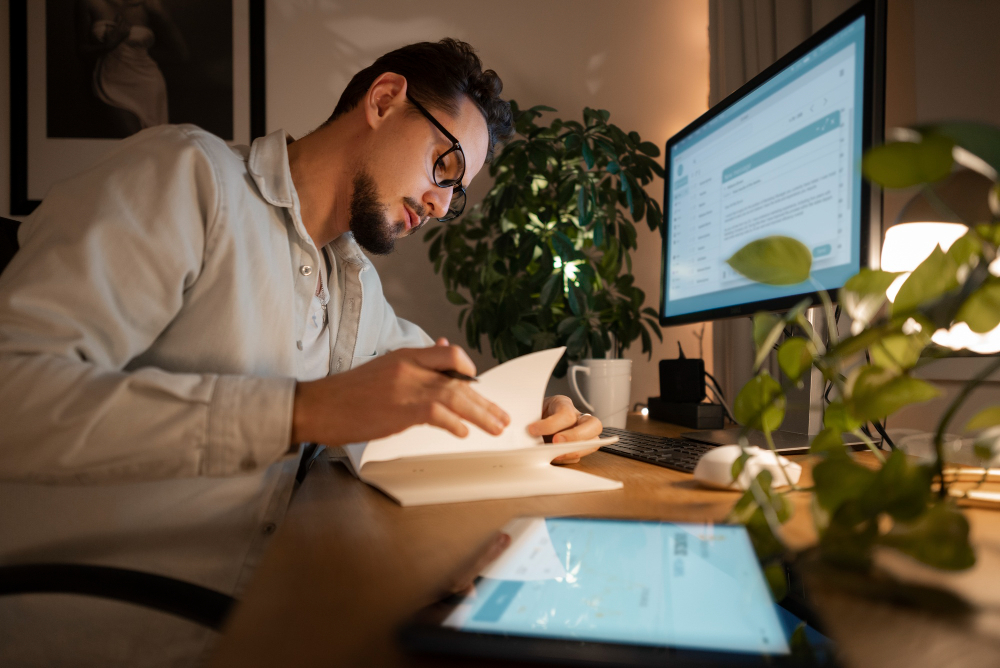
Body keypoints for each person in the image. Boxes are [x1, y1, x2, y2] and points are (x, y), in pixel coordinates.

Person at [0, 39, 601, 666]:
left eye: (458, 192)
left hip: (269, 607)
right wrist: (301, 411)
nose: (440, 204)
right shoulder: (187, 178)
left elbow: (451, 394)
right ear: (385, 99)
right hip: (108, 629)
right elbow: (10, 394)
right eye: (443, 166)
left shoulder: (354, 284)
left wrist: (540, 420)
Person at [76, 0, 188, 136]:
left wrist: (140, 52)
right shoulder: (90, 3)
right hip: (109, 83)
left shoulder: (151, 5)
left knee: (151, 143)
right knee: (131, 141)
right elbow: (82, 51)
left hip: (148, 84)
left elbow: (180, 53)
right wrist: (110, 45)